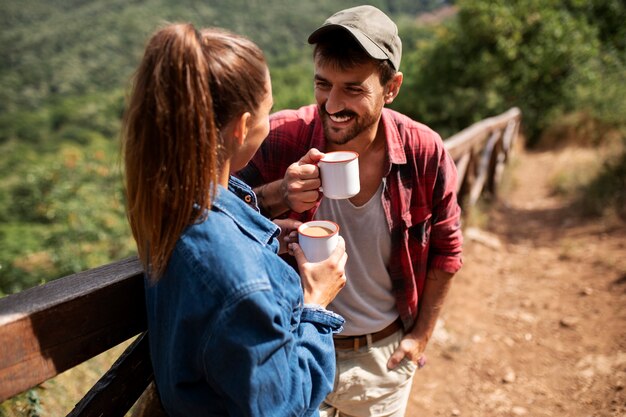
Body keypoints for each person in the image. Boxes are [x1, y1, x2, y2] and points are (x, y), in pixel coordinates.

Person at [237, 5, 463, 417]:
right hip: (294, 353)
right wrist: (276, 194)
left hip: (382, 360)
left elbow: (447, 252)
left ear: (391, 87)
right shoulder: (282, 138)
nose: (333, 103)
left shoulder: (423, 151)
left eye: (353, 89)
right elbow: (211, 214)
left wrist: (420, 337)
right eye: (323, 84)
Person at [122, 23, 349, 417]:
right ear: (243, 127)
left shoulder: (171, 205)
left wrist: (266, 231)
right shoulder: (242, 282)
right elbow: (285, 406)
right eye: (268, 111)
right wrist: (317, 301)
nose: (272, 120)